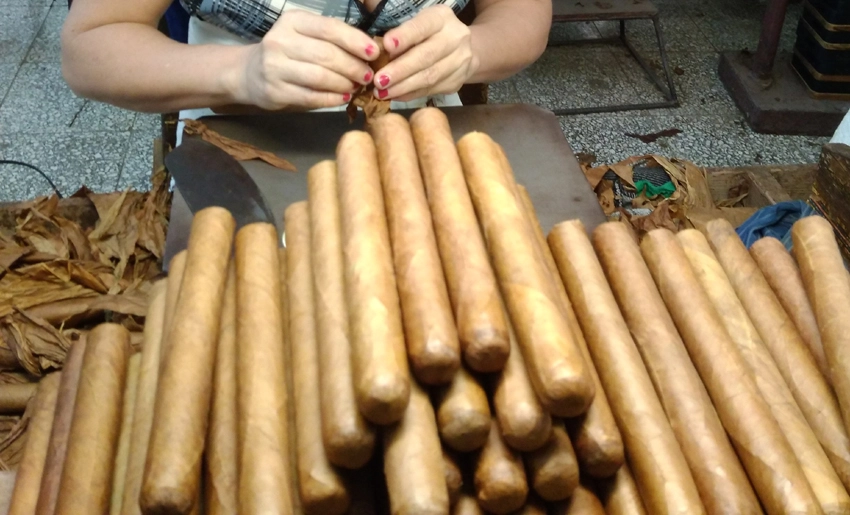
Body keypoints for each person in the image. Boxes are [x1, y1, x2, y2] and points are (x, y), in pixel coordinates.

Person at [60, 0, 551, 117]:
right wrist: (238, 73)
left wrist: (474, 51)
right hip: (246, 150)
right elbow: (90, 45)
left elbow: (523, 14)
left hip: (425, 149)